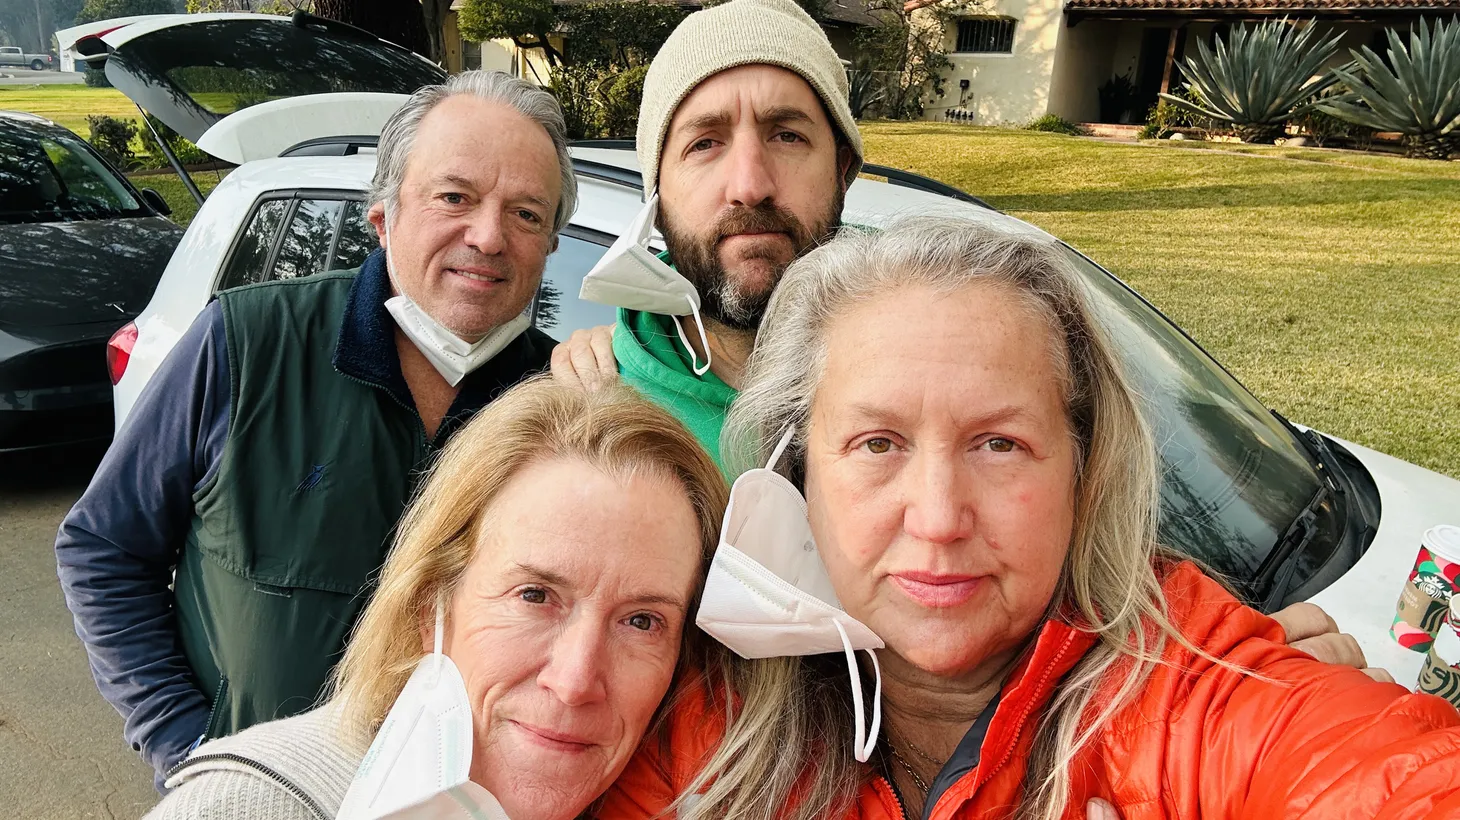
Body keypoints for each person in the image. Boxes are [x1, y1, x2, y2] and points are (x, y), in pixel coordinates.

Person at [553, 0, 1381, 681]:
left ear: (844, 169)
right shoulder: (590, 426)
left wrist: (1242, 676)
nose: (750, 182)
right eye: (703, 143)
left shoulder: (966, 367)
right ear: (655, 193)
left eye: (788, 134)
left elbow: (1106, 581)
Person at [598, 217, 1460, 820]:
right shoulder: (708, 726)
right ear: (799, 473)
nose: (937, 519)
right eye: (877, 443)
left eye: (999, 444)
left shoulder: (1204, 704)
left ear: (1085, 470)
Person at [55, 70, 575, 785]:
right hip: (250, 794)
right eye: (454, 197)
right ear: (384, 216)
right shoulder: (245, 343)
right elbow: (103, 547)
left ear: (550, 242)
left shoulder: (560, 405)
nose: (488, 236)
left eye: (526, 213)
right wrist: (187, 746)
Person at [142, 378, 730, 819]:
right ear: (431, 604)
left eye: (643, 621)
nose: (576, 680)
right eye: (535, 595)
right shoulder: (250, 806)